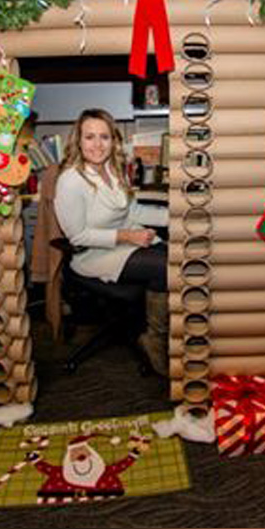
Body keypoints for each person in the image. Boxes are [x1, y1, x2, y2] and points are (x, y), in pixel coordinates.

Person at [53, 109, 169, 374]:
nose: (97, 144)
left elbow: (133, 213)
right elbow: (77, 236)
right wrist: (128, 235)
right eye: (90, 137)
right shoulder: (71, 181)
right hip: (92, 256)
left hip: (120, 245)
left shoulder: (114, 170)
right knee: (164, 266)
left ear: (114, 140)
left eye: (104, 137)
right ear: (78, 141)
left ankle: (154, 331)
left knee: (171, 255)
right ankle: (154, 339)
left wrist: (173, 216)